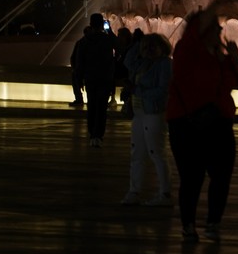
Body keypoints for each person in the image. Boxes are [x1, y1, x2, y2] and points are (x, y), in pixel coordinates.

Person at [166, 0, 238, 243]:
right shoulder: (188, 51)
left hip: (219, 124)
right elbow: (199, 23)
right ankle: (188, 225)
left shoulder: (222, 59)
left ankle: (213, 222)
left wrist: (235, 56)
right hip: (187, 123)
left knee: (221, 175)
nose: (219, 30)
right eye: (215, 27)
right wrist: (220, 1)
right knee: (192, 177)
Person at [121, 34, 174, 207]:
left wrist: (138, 91)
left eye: (153, 47)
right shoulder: (142, 63)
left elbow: (163, 90)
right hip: (139, 114)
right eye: (146, 47)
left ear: (162, 48)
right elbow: (127, 61)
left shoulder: (165, 64)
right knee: (137, 154)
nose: (149, 50)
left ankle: (165, 193)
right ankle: (134, 191)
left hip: (154, 113)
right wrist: (137, 43)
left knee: (156, 153)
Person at [73, 13, 118, 147]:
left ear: (91, 24)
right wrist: (110, 31)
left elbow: (79, 62)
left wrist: (79, 79)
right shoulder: (108, 39)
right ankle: (98, 135)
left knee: (92, 105)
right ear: (101, 25)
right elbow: (120, 48)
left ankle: (92, 133)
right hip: (105, 78)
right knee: (102, 107)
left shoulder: (84, 41)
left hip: (90, 78)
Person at [68, 26, 90, 107]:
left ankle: (79, 99)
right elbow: (73, 57)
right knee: (75, 76)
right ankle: (80, 99)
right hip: (83, 69)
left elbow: (73, 57)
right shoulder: (81, 43)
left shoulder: (80, 42)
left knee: (76, 77)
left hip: (85, 69)